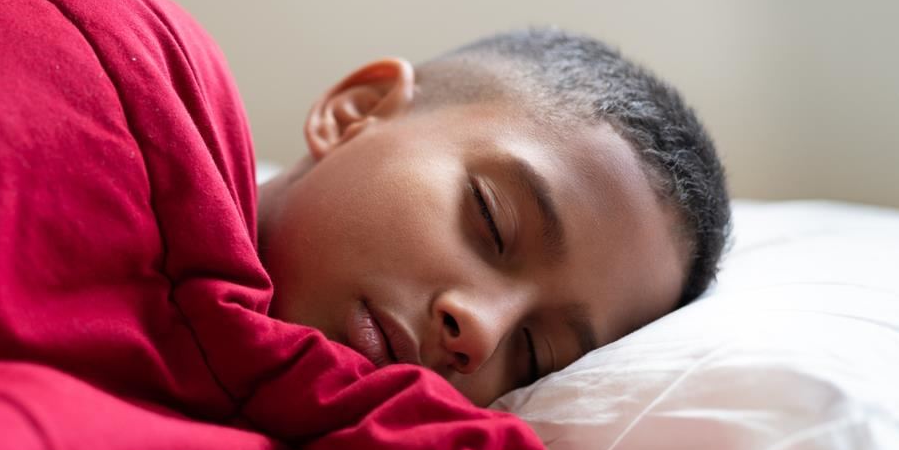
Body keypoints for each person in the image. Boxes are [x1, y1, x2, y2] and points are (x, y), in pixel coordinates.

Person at [257, 30, 729, 406]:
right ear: (356, 111)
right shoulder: (181, 112)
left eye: (534, 355)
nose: (481, 330)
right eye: (491, 219)